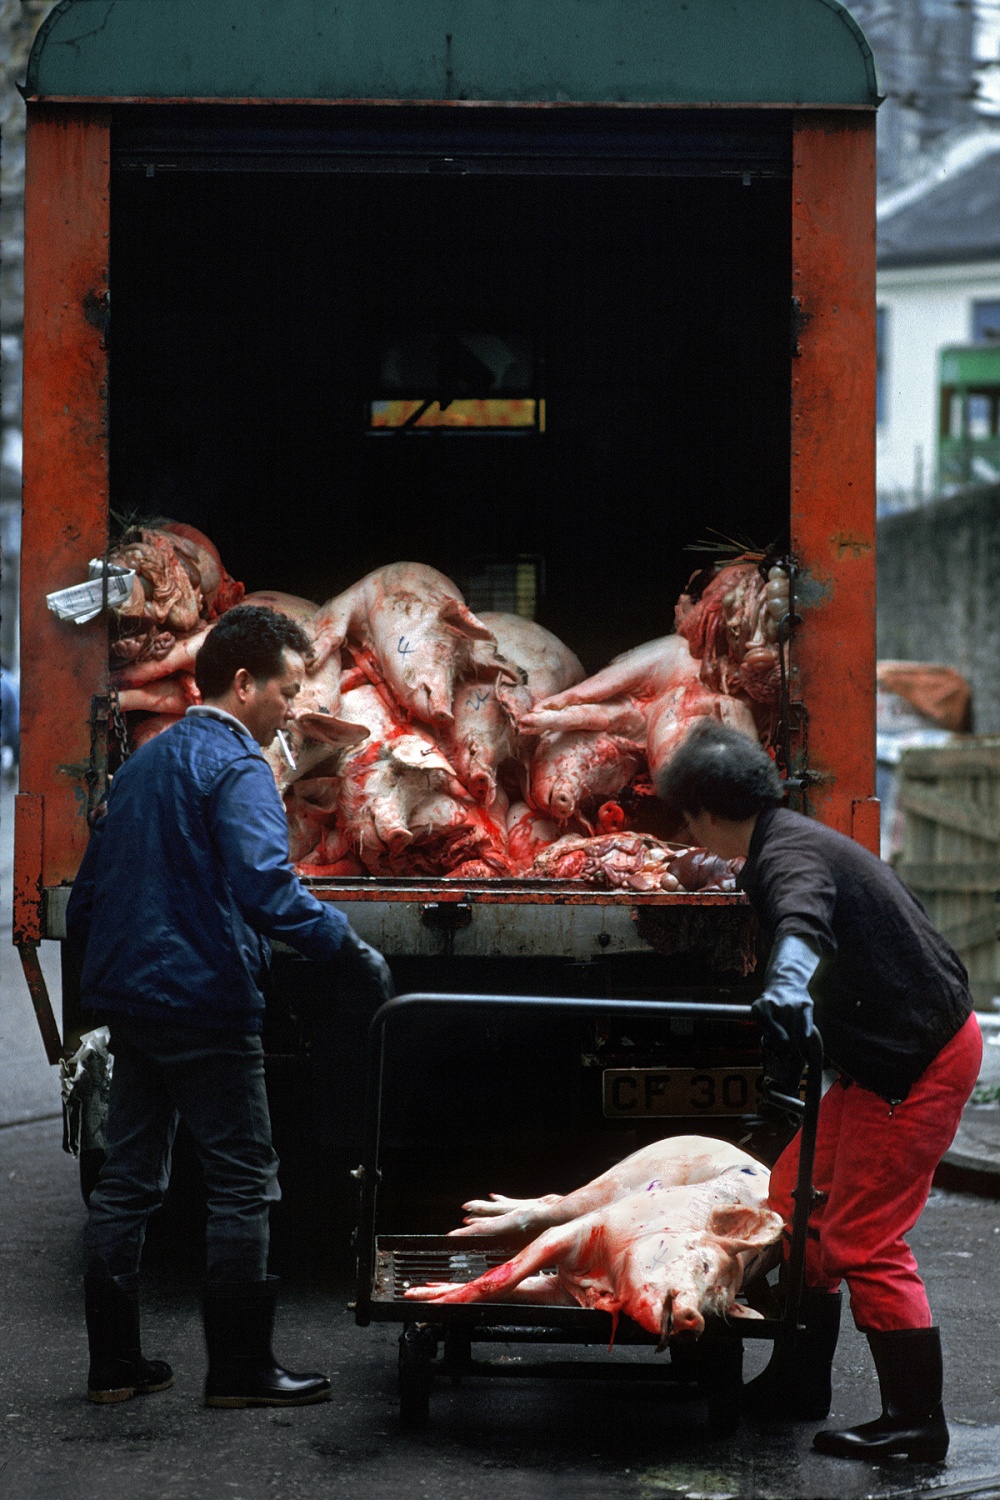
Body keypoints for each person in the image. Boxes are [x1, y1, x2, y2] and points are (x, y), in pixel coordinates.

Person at [66, 605, 394, 1409]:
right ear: (243, 684)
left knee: (130, 1183)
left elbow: (87, 899)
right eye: (286, 689)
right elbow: (266, 887)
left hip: (133, 1004)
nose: (294, 706)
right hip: (205, 1005)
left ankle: (114, 1367)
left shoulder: (142, 765)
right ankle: (240, 1370)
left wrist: (97, 999)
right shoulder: (237, 765)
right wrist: (349, 952)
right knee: (243, 1182)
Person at [655, 719, 981, 1462]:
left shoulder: (790, 858)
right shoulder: (784, 840)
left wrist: (790, 983)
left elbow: (802, 919)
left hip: (915, 1066)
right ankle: (800, 1383)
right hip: (891, 1058)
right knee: (793, 1196)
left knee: (863, 1239)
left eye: (684, 816)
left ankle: (915, 1422)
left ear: (705, 811)